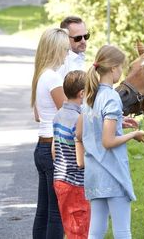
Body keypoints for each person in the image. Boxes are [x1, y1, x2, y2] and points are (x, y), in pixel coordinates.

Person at [75, 45, 144, 239]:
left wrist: (119, 123)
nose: (121, 72)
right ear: (114, 68)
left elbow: (83, 131)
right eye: (121, 68)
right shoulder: (112, 97)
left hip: (94, 174)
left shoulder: (91, 95)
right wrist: (134, 135)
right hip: (113, 174)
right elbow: (108, 141)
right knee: (122, 231)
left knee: (96, 231)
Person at [31, 27, 70, 238]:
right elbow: (68, 113)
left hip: (42, 146)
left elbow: (38, 115)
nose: (66, 54)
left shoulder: (41, 76)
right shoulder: (53, 78)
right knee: (56, 213)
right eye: (64, 49)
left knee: (44, 210)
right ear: (56, 49)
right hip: (55, 148)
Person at [52, 70, 90, 239]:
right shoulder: (78, 119)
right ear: (82, 94)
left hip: (60, 180)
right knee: (80, 231)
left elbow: (54, 150)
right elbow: (81, 161)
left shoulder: (59, 115)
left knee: (70, 228)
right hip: (76, 184)